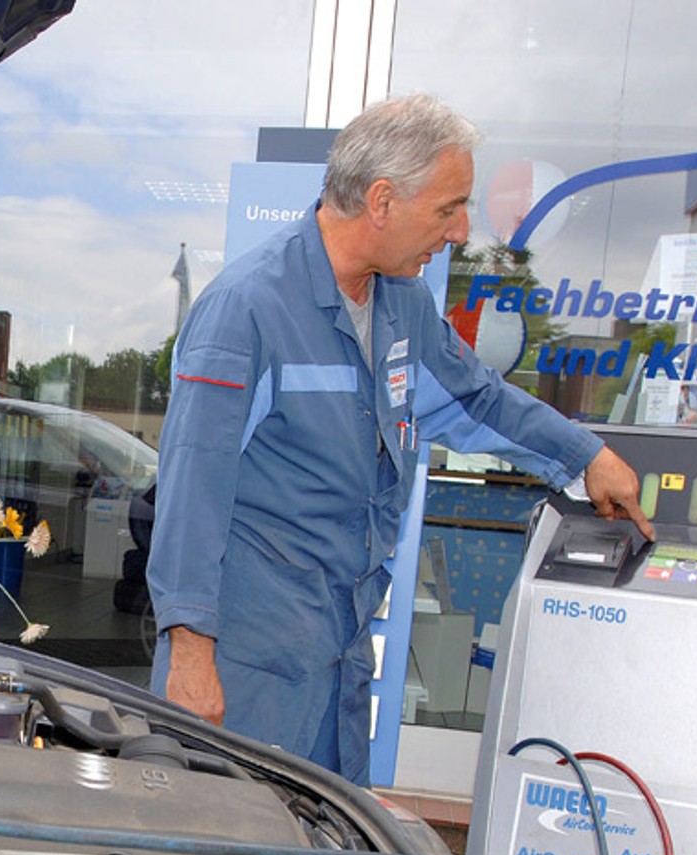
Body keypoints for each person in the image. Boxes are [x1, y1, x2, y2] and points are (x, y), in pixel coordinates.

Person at [147, 93, 654, 785]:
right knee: (232, 843)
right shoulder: (248, 309)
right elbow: (191, 492)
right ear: (381, 201)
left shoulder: (402, 305)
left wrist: (586, 455)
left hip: (339, 656)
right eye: (449, 209)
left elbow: (476, 399)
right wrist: (189, 656)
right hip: (245, 668)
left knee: (328, 837)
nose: (460, 231)